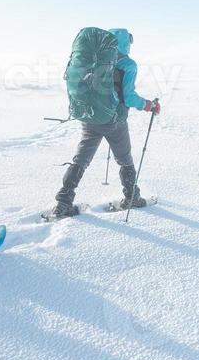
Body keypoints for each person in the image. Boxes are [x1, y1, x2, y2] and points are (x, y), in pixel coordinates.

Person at [51, 28, 160, 218]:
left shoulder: (93, 60)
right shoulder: (128, 64)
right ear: (125, 43)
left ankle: (63, 203)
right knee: (125, 159)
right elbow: (129, 97)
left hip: (89, 117)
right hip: (114, 121)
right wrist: (149, 105)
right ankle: (132, 197)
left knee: (81, 160)